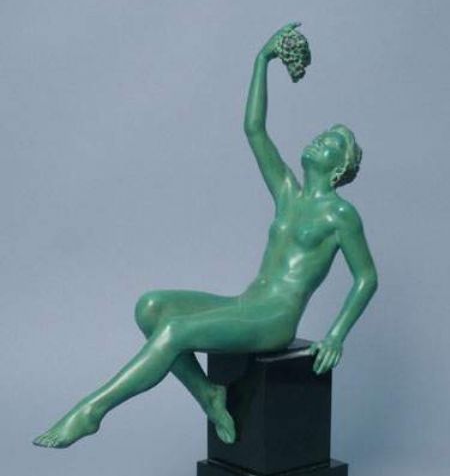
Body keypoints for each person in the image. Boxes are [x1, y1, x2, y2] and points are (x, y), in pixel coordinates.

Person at [33, 23, 377, 449]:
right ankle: (209, 394)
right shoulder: (288, 193)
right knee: (151, 307)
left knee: (176, 331)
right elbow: (254, 129)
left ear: (339, 168)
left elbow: (367, 277)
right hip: (247, 302)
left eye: (329, 144)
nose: (318, 141)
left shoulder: (341, 214)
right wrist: (262, 59)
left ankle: (91, 412)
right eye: (321, 136)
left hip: (275, 319)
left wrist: (336, 335)